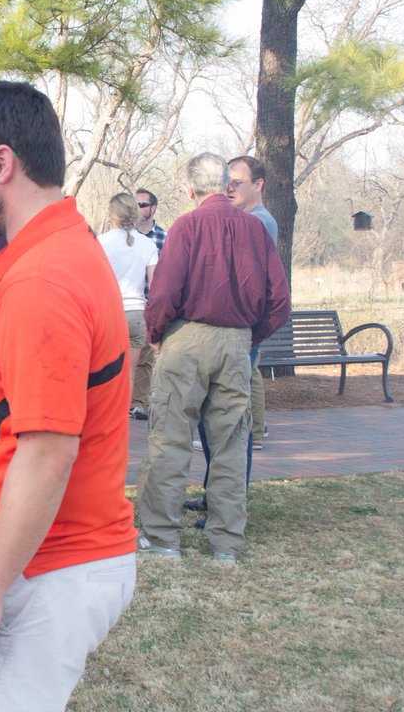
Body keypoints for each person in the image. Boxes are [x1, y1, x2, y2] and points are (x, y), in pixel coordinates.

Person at [0, 81, 137, 711]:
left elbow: (47, 452)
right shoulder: (52, 254)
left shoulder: (41, 281)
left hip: (37, 571)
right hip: (34, 561)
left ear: (1, 163)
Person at [136, 153, 290, 563]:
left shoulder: (186, 226)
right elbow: (279, 302)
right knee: (230, 444)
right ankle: (226, 543)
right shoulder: (255, 230)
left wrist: (156, 334)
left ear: (190, 190)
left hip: (185, 338)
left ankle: (160, 537)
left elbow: (164, 292)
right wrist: (246, 336)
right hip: (235, 343)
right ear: (226, 185)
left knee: (170, 438)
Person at [228, 155, 277, 449]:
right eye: (227, 182)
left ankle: (246, 437)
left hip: (247, 320)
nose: (229, 188)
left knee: (241, 381)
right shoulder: (248, 219)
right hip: (248, 321)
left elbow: (251, 279)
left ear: (258, 184)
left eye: (237, 182)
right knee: (249, 375)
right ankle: (252, 434)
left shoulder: (258, 221)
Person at [98, 193, 159, 416]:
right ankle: (122, 421)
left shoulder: (100, 242)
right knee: (130, 374)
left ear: (112, 214)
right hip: (136, 314)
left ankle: (106, 418)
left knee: (106, 371)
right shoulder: (147, 244)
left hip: (109, 313)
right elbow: (155, 287)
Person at [130, 187, 166, 420]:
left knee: (152, 359)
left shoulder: (164, 236)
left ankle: (146, 403)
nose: (138, 208)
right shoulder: (125, 236)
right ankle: (130, 402)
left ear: (153, 208)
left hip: (154, 304)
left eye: (143, 204)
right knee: (133, 358)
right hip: (129, 303)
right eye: (135, 204)